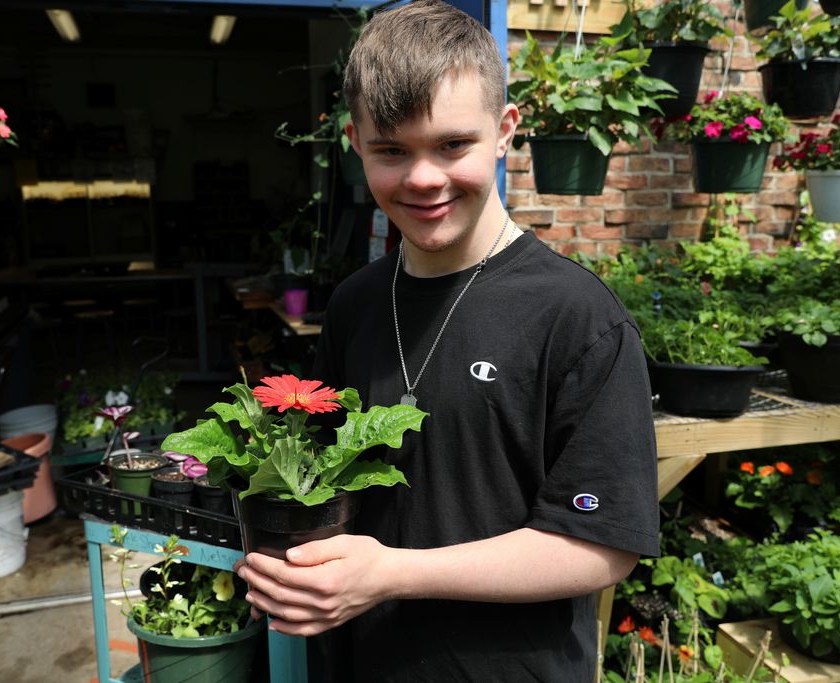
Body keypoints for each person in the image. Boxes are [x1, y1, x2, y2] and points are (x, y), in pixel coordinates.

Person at [234, 1, 659, 680]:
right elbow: (327, 485)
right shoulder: (355, 305)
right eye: (392, 150)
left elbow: (604, 547)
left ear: (504, 131)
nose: (423, 178)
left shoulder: (579, 318)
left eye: (452, 145)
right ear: (356, 143)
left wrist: (391, 573)